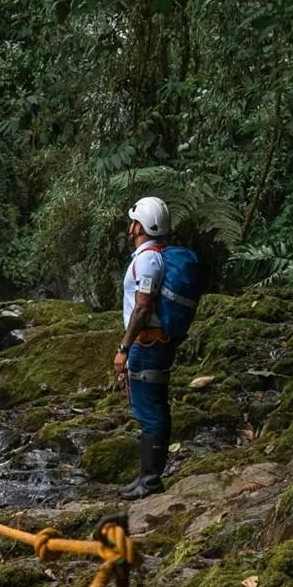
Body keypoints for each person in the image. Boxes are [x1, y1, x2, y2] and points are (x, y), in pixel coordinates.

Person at [112, 196, 178, 500]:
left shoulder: (148, 259)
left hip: (148, 343)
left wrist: (123, 348)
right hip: (151, 341)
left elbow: (141, 308)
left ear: (141, 225)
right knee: (148, 407)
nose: (129, 227)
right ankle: (145, 478)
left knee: (151, 410)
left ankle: (150, 482)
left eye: (133, 221)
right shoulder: (152, 255)